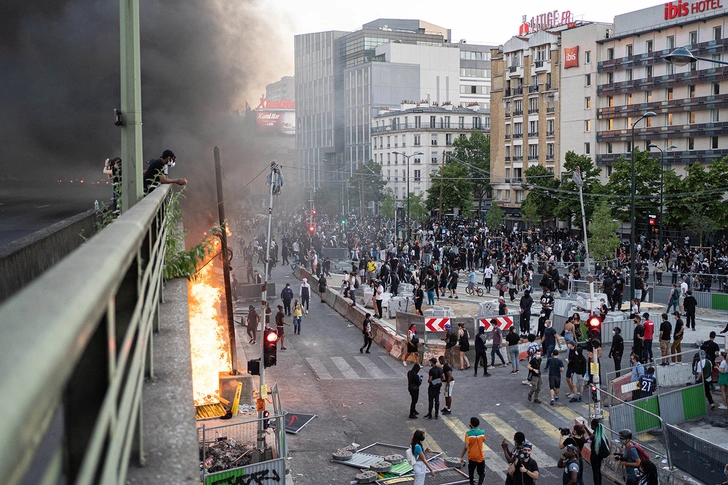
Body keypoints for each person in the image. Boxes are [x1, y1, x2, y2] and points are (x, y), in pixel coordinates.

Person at [459, 417, 486, 485]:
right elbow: (483, 439)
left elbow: (466, 447)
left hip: (472, 457)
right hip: (480, 457)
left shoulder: (468, 434)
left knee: (471, 473)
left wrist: (461, 456)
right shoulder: (482, 432)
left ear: (471, 424)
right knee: (481, 474)